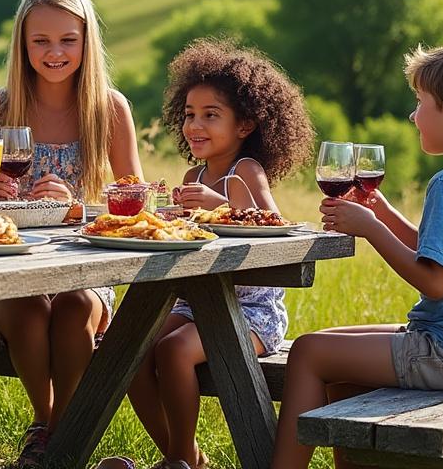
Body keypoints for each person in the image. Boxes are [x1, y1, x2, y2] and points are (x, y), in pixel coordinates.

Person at [271, 40, 443, 469]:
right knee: (338, 358)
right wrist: (382, 210)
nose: (414, 116)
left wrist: (371, 229)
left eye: (420, 103)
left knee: (307, 352)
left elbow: (435, 281)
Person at [0, 0, 143, 468]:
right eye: (40, 40)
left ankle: (58, 438)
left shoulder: (108, 109)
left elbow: (135, 208)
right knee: (25, 307)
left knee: (74, 305)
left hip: (85, 271)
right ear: (22, 44)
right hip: (13, 271)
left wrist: (79, 207)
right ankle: (50, 429)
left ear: (87, 41)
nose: (54, 51)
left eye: (68, 40)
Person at [127, 39, 314, 469]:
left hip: (251, 313)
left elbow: (275, 228)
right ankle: (187, 457)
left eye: (211, 116)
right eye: (190, 115)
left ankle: (177, 461)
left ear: (245, 125)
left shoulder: (245, 171)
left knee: (173, 352)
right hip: (195, 301)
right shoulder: (194, 173)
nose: (196, 125)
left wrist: (220, 205)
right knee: (129, 351)